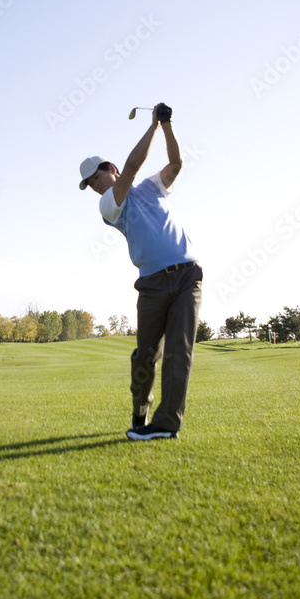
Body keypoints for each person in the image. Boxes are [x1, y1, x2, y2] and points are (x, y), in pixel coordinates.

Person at [79, 103, 202, 440]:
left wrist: (168, 126)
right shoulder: (108, 205)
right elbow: (132, 167)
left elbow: (176, 164)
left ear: (110, 169)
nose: (94, 186)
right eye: (89, 184)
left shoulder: (152, 187)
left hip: (187, 276)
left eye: (96, 178)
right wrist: (153, 125)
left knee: (180, 351)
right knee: (146, 356)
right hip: (151, 283)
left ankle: (166, 425)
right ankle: (140, 412)